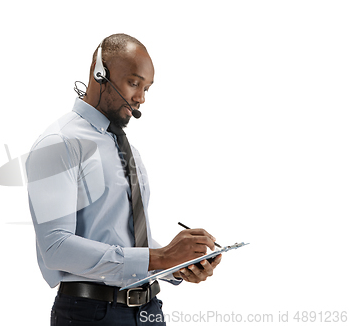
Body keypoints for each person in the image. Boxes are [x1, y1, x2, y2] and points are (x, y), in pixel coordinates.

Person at [25, 33, 222, 326]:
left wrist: (177, 265)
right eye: (133, 83)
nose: (140, 98)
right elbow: (55, 247)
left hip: (148, 310)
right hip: (91, 314)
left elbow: (126, 237)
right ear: (99, 74)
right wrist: (159, 257)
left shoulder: (127, 149)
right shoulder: (59, 142)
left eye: (146, 88)